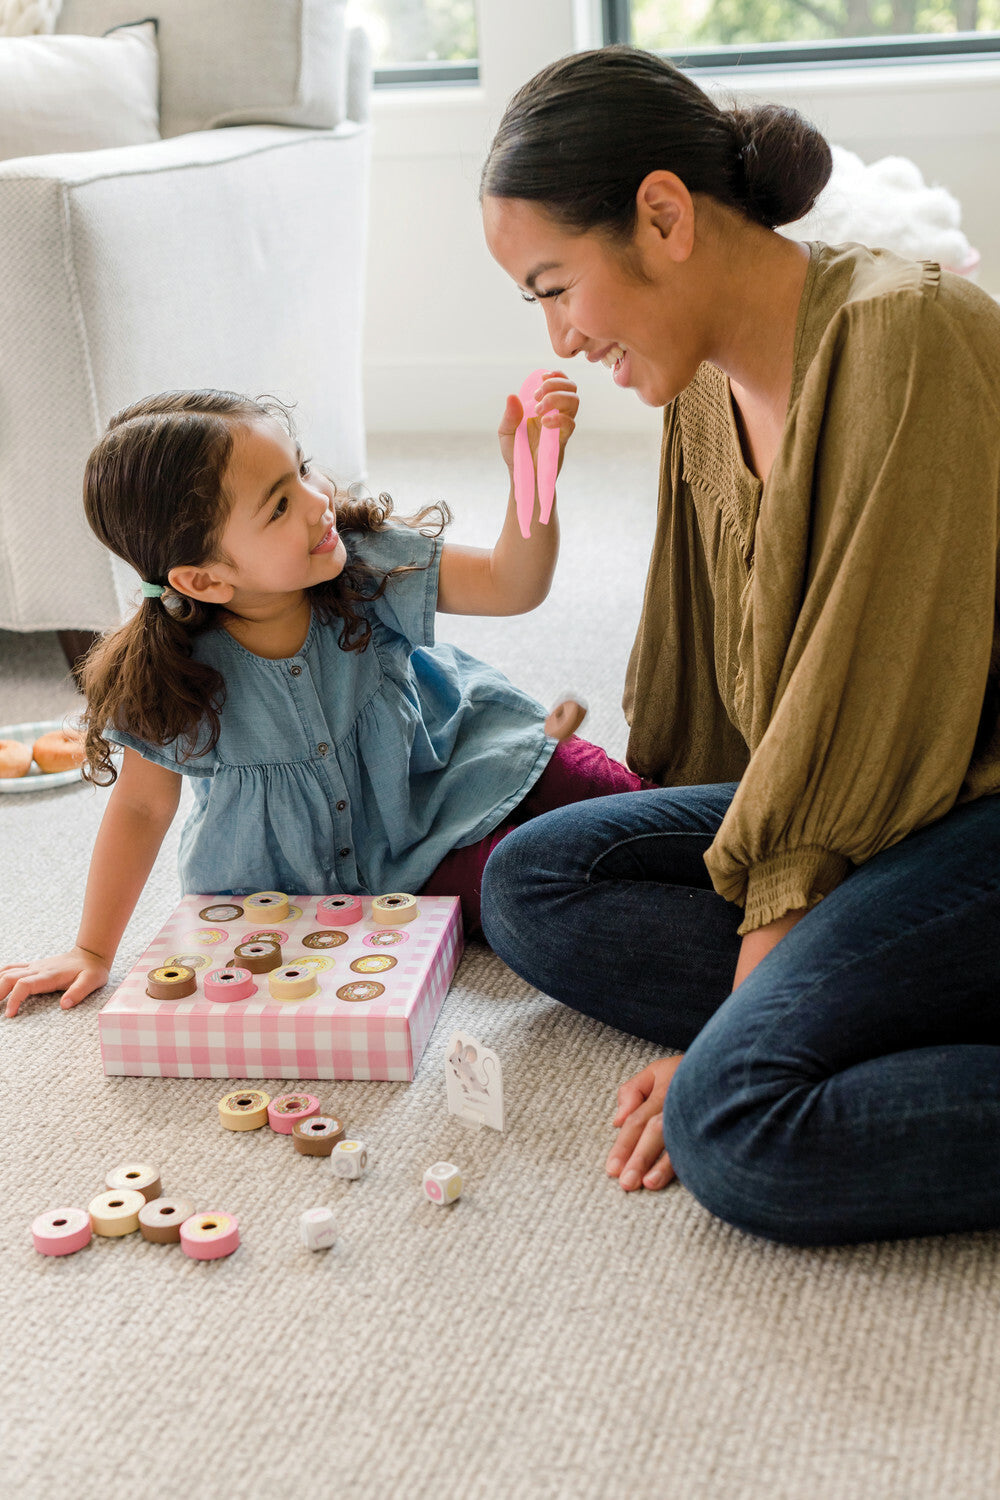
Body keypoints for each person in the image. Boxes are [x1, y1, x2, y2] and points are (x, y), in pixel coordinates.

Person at [477, 45, 1000, 1245]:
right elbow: (717, 709)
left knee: (740, 1124)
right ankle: (889, 998)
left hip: (969, 802)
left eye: (556, 285)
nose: (559, 340)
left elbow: (854, 716)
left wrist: (738, 1021)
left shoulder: (904, 335)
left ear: (662, 216)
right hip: (888, 825)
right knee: (536, 881)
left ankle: (826, 1021)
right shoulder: (703, 390)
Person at [1, 380, 652, 1019]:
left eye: (304, 470)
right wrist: (92, 947)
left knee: (617, 798)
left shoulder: (361, 561)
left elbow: (511, 584)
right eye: (280, 506)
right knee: (533, 887)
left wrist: (532, 481)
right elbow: (142, 806)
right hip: (399, 873)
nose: (319, 502)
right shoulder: (175, 672)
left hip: (469, 760)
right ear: (204, 578)